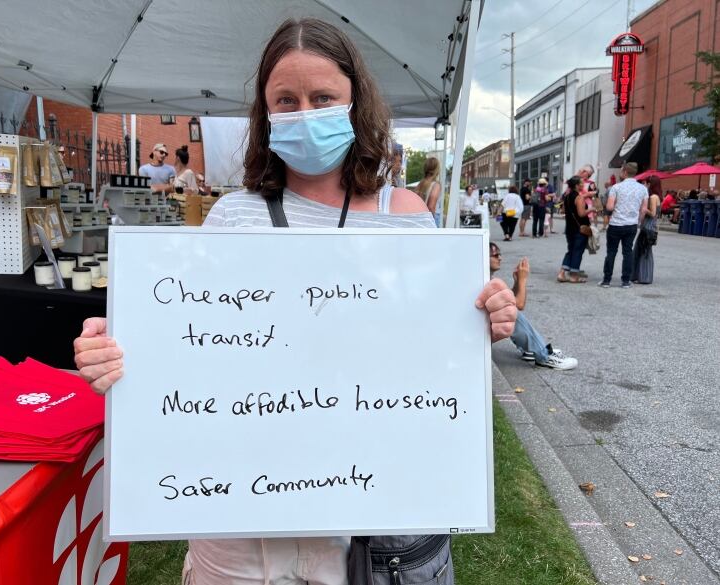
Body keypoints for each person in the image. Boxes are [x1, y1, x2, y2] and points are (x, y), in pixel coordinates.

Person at [73, 18, 517, 585]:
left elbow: (434, 355)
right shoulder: (233, 216)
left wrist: (485, 319)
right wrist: (114, 345)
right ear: (265, 113)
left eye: (323, 97)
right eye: (286, 100)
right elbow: (187, 340)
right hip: (243, 536)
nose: (305, 112)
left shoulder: (403, 214)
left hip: (366, 529)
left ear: (356, 105)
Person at [490, 243, 578, 369]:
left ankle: (532, 349)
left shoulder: (485, 278)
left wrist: (517, 282)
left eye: (500, 254)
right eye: (495, 255)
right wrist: (523, 279)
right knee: (511, 312)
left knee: (508, 308)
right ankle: (543, 356)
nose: (500, 258)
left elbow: (510, 300)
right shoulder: (486, 281)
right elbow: (518, 305)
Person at [599, 162, 649, 289]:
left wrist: (614, 208)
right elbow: (643, 210)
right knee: (627, 252)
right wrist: (638, 221)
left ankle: (606, 280)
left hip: (616, 224)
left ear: (625, 172)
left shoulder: (616, 187)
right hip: (631, 224)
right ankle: (625, 281)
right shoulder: (643, 189)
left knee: (611, 252)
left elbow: (609, 207)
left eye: (621, 171)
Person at [556, 176, 589, 283]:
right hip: (579, 228)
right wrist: (591, 209)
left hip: (569, 227)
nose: (583, 185)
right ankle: (574, 275)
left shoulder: (567, 196)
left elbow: (564, 211)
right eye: (581, 183)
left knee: (571, 250)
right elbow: (581, 213)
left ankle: (562, 273)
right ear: (576, 185)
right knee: (577, 251)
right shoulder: (578, 198)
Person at [632, 176, 661, 284]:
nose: (644, 185)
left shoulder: (653, 197)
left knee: (644, 252)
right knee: (641, 251)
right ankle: (639, 275)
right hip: (649, 226)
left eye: (646, 183)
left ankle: (644, 277)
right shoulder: (655, 196)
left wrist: (643, 208)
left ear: (650, 184)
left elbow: (652, 213)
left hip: (648, 227)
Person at [415, 156, 441, 224]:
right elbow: (431, 207)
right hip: (431, 219)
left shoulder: (420, 184)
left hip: (419, 218)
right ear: (436, 169)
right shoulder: (436, 185)